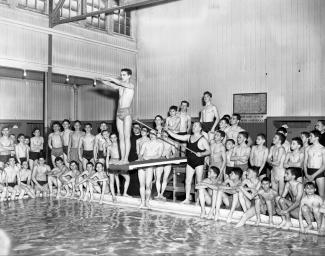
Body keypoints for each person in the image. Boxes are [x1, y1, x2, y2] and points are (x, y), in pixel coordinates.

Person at [166, 122, 210, 204]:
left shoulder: (203, 139)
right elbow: (177, 136)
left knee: (199, 182)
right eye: (193, 126)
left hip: (199, 163)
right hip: (190, 162)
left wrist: (202, 153)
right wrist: (168, 131)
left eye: (196, 126)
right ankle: (187, 198)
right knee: (187, 181)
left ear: (200, 128)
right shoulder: (188, 137)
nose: (193, 127)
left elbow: (209, 151)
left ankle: (198, 200)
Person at [100, 68, 134, 163]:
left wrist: (109, 78)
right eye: (121, 74)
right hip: (118, 112)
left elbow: (118, 82)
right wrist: (101, 80)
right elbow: (111, 84)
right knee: (121, 136)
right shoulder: (120, 87)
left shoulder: (130, 85)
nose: (122, 76)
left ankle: (126, 158)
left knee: (127, 136)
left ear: (129, 76)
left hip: (126, 112)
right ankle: (122, 158)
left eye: (124, 75)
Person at [138, 129, 163, 208]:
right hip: (142, 165)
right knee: (142, 185)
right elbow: (140, 154)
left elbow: (159, 155)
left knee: (148, 185)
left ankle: (147, 202)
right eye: (151, 134)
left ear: (157, 134)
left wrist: (148, 158)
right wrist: (142, 160)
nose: (152, 135)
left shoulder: (160, 144)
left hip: (150, 166)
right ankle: (142, 202)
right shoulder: (145, 143)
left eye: (154, 133)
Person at [107, 133, 130, 199]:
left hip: (119, 162)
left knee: (127, 177)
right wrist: (107, 166)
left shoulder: (121, 146)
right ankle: (114, 196)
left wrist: (124, 162)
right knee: (112, 180)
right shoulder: (109, 147)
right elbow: (107, 158)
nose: (113, 139)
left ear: (117, 138)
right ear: (110, 139)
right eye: (112, 138)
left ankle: (124, 193)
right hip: (112, 163)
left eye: (114, 137)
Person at [155, 130, 176, 200]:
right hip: (160, 161)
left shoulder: (171, 142)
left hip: (167, 161)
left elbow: (174, 154)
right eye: (163, 134)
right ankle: (158, 194)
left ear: (168, 134)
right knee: (158, 178)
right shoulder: (159, 142)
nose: (164, 135)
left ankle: (162, 194)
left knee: (165, 178)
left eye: (166, 134)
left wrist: (170, 156)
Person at [304, 130, 325, 197]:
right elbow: (304, 163)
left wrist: (313, 176)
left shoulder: (323, 149)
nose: (309, 138)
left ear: (316, 137)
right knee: (307, 194)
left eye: (311, 136)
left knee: (321, 195)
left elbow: (324, 165)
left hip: (319, 172)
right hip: (308, 172)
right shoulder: (307, 148)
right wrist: (306, 174)